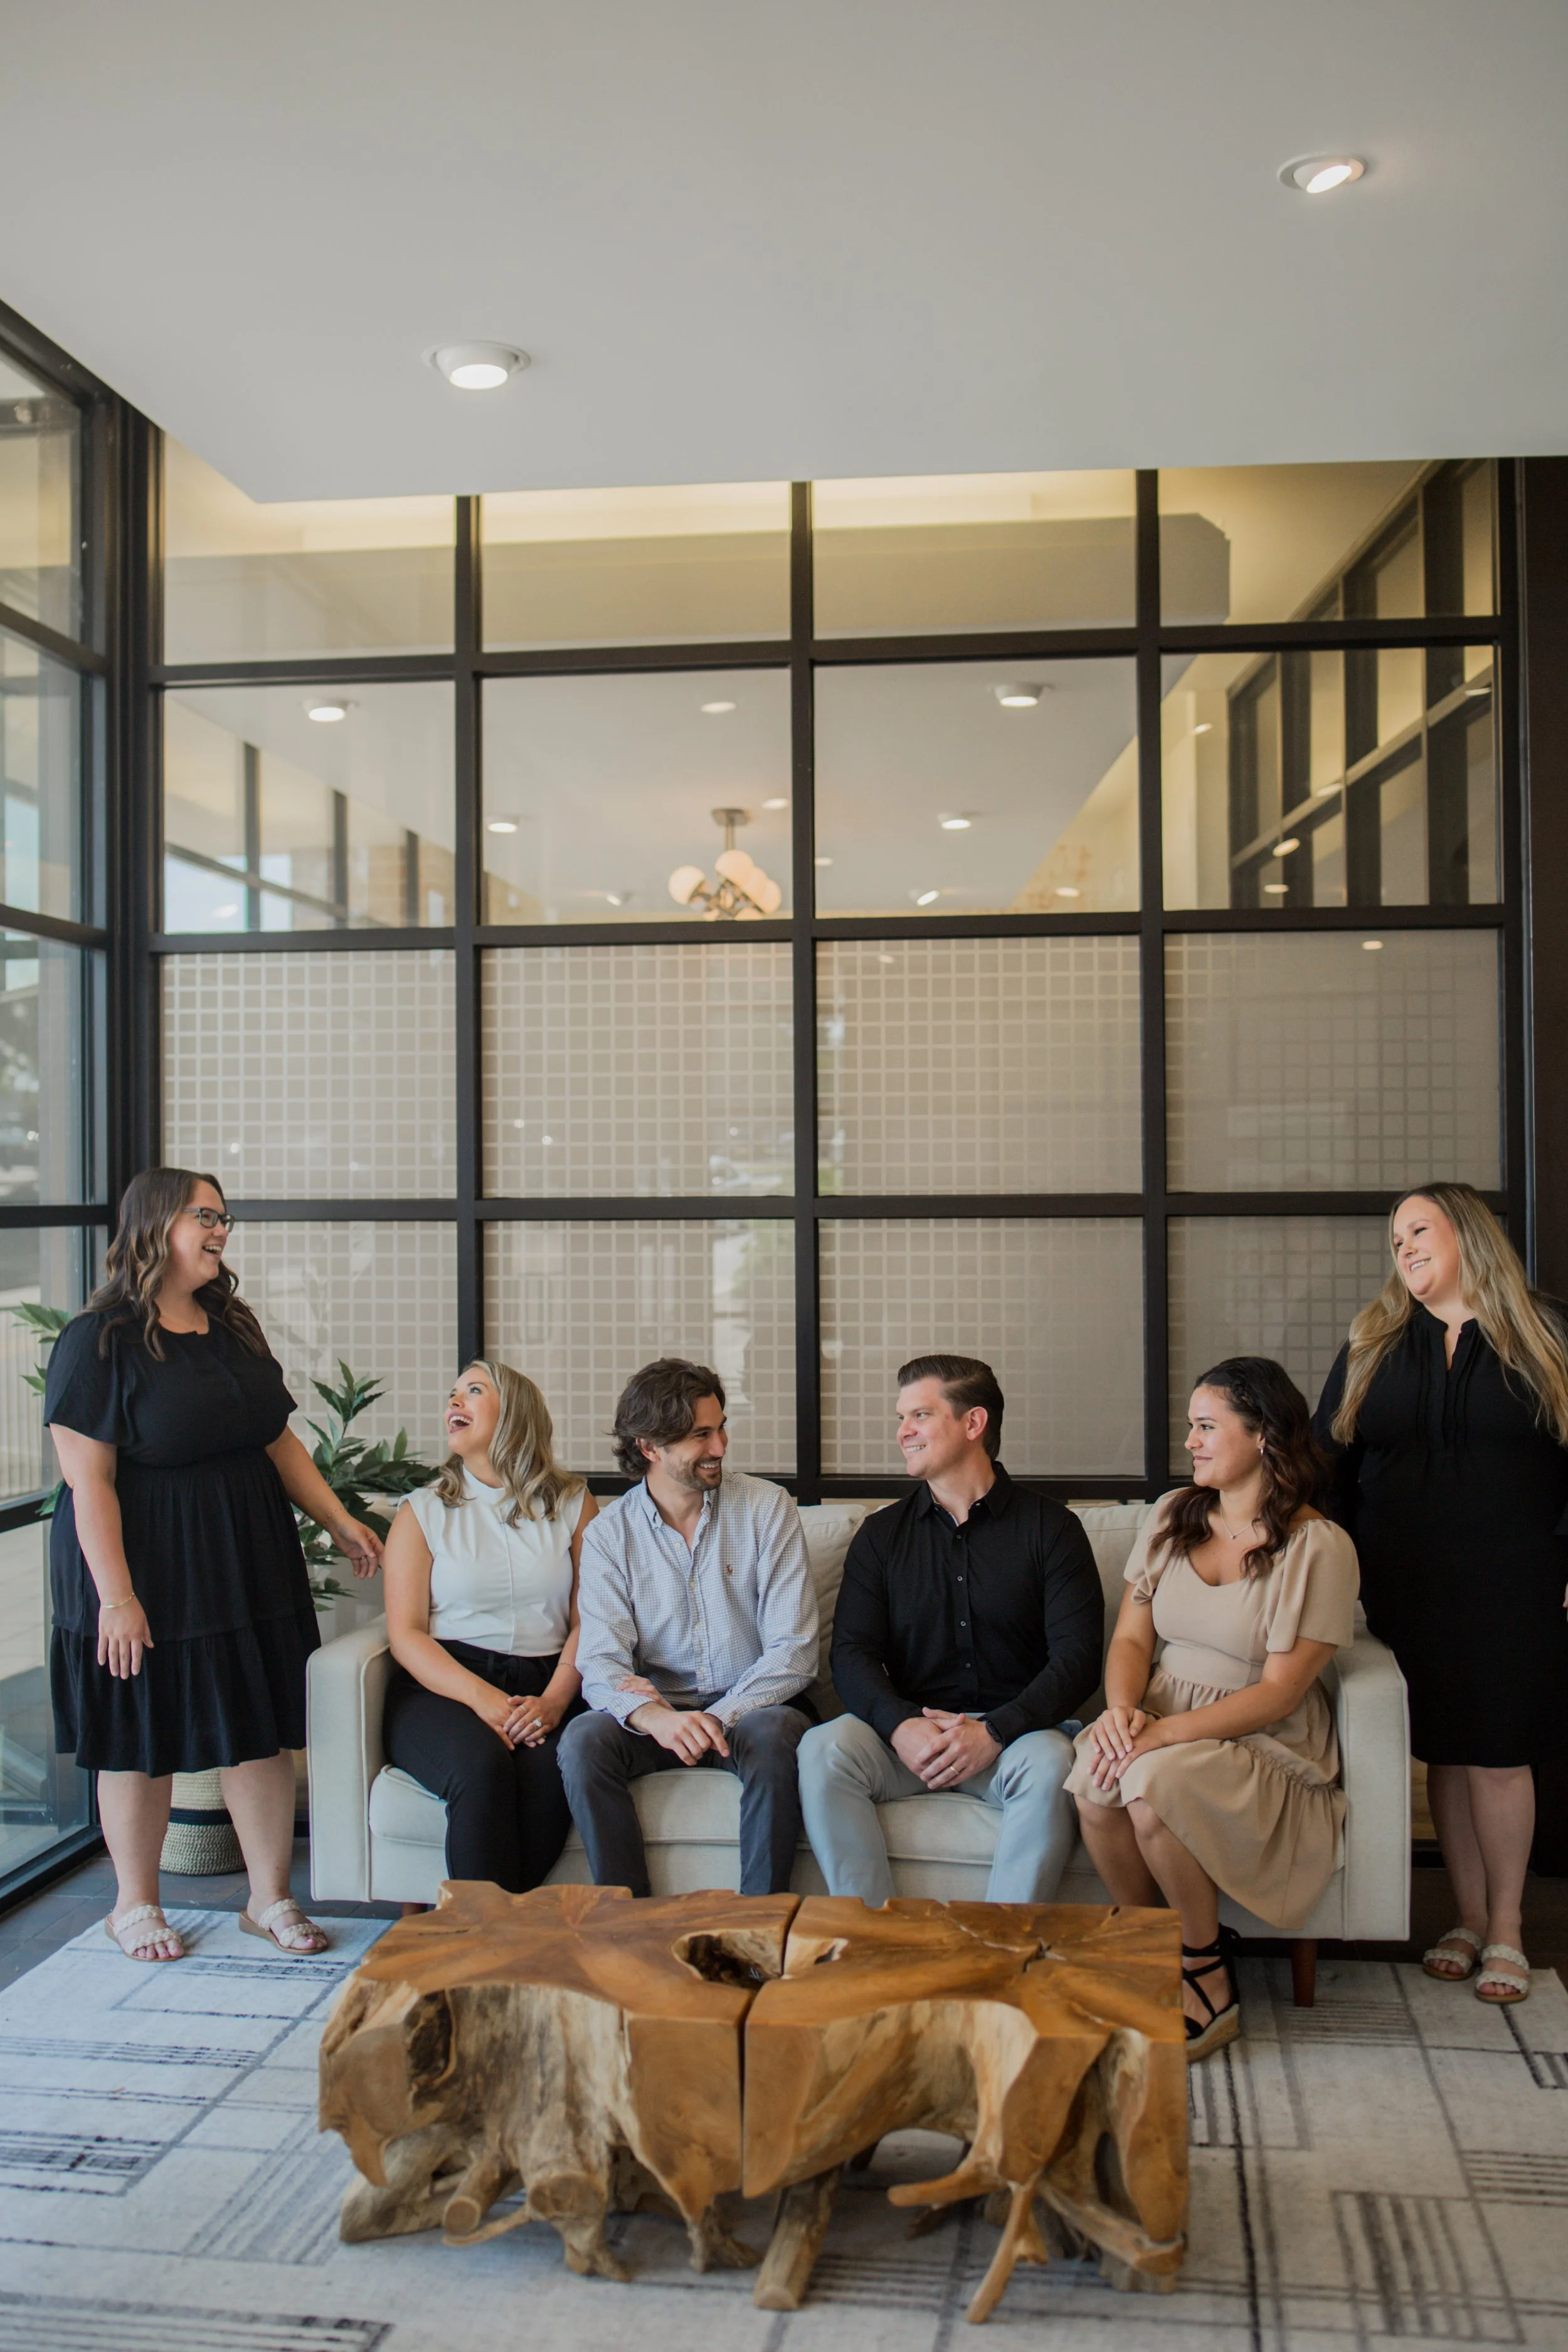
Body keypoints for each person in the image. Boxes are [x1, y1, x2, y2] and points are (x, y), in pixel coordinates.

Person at [45, 1167, 384, 1962]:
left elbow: (277, 1438)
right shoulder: (96, 1341)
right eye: (205, 1215)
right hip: (142, 1563)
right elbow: (87, 1481)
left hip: (242, 1556)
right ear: (157, 1222)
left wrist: (338, 1518)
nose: (221, 1229)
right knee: (138, 1732)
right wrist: (117, 1598)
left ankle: (268, 1899)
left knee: (259, 1729)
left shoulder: (231, 1322)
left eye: (224, 1217)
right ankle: (134, 1904)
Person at [1315, 1183, 1568, 2009]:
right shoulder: (1373, 1342)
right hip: (1404, 1586)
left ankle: (1507, 1927)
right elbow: (1328, 1471)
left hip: (1517, 1582)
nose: (1405, 1250)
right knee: (1450, 1755)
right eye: (1396, 1242)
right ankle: (1463, 1918)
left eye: (1417, 1230)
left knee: (1499, 1752)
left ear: (1470, 1233)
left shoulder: (1549, 1333)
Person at [1068, 1358, 1358, 2061]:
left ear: (1261, 1436)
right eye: (1190, 1427)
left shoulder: (1318, 1546)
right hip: (1165, 1709)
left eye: (1206, 1427)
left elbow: (1282, 1692)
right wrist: (1120, 1714)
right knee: (1094, 1777)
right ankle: (1152, 1953)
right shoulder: (1173, 1516)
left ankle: (1206, 1972)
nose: (1191, 1441)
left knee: (1150, 1784)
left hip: (1263, 1735)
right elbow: (1133, 1636)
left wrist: (1163, 1737)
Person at [799, 1353, 1103, 1907]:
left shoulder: (1053, 1530)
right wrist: (900, 1726)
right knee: (824, 1748)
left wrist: (994, 1732)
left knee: (1054, 1762)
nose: (903, 1433)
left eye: (919, 1415)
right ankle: (874, 1941)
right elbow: (851, 1654)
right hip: (911, 1738)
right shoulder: (881, 1536)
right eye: (901, 1418)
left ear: (973, 1423)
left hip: (1016, 1738)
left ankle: (1002, 1949)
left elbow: (1078, 1659)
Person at [557, 1358, 817, 1897]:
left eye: (721, 1428)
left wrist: (718, 1717)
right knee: (584, 1739)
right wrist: (656, 1718)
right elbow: (601, 1659)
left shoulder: (767, 1508)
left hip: (751, 1707)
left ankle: (759, 1923)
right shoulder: (610, 1535)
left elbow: (793, 1650)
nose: (720, 1446)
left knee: (773, 1735)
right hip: (662, 1716)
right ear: (650, 1447)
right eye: (701, 1435)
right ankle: (629, 1922)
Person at [380, 1362, 595, 1893]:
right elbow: (406, 1634)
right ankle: (486, 1940)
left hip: (550, 1683)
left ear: (515, 1413)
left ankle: (496, 1933)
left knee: (553, 1775)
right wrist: (485, 1702)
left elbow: (591, 1619)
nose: (454, 1401)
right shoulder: (422, 1510)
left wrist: (552, 1703)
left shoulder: (573, 1503)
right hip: (446, 1687)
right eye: (452, 1393)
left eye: (473, 1391)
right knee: (481, 1769)